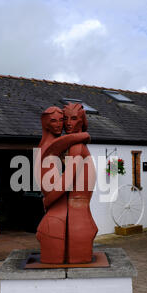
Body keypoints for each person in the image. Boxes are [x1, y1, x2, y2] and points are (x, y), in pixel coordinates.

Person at [43, 103, 98, 263]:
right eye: (65, 118)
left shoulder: (77, 148)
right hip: (77, 216)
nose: (68, 123)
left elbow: (66, 182)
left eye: (73, 119)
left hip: (77, 218)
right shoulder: (76, 145)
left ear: (81, 120)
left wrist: (47, 200)